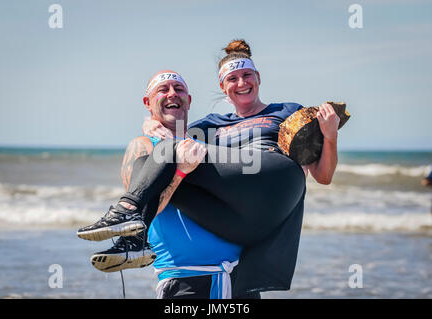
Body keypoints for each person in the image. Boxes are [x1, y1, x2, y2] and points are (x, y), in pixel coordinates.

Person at [78, 39, 340, 296]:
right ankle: (135, 240)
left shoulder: (286, 111)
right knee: (166, 166)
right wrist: (150, 124)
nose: (241, 83)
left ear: (258, 77)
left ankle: (125, 210)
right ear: (222, 87)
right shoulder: (208, 126)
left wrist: (329, 136)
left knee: (170, 151)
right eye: (232, 79)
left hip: (272, 181)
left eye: (247, 75)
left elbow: (322, 175)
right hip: (241, 222)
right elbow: (172, 136)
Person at [82, 70, 251, 299]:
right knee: (133, 213)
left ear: (189, 101)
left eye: (179, 89)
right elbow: (146, 211)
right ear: (148, 103)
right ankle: (127, 228)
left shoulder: (207, 142)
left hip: (240, 279)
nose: (172, 94)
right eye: (163, 90)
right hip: (185, 280)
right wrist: (181, 172)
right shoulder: (143, 146)